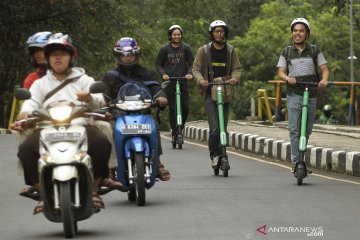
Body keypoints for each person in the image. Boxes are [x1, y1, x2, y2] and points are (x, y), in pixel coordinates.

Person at [11, 33, 112, 214]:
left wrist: (89, 97)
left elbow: (99, 100)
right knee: (26, 150)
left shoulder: (83, 79)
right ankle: (42, 193)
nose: (58, 58)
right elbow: (31, 101)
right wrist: (24, 113)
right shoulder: (40, 83)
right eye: (53, 54)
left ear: (71, 57)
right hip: (47, 128)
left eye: (62, 54)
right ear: (48, 59)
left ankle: (93, 191)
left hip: (79, 125)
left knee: (101, 143)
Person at [101, 37, 171, 181]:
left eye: (131, 55)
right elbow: (103, 95)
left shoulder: (145, 73)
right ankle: (111, 168)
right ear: (118, 56)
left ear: (136, 55)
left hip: (142, 113)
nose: (127, 58)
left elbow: (155, 88)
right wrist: (103, 105)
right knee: (109, 129)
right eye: (124, 55)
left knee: (153, 128)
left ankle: (157, 163)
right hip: (117, 115)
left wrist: (161, 97)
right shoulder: (110, 76)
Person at [277, 18, 329, 172]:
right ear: (292, 33)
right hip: (294, 93)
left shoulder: (314, 50)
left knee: (306, 130)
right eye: (295, 31)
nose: (297, 34)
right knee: (294, 129)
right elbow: (280, 72)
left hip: (311, 92)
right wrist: (288, 79)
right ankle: (297, 163)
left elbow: (325, 69)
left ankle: (301, 157)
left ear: (307, 33)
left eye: (301, 31)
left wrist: (324, 80)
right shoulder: (286, 52)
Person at [192, 20, 241, 168]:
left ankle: (224, 154)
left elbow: (237, 68)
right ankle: (214, 155)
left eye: (221, 31)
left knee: (223, 127)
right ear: (211, 33)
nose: (219, 34)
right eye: (216, 31)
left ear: (225, 33)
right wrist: (201, 80)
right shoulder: (204, 51)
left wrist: (234, 78)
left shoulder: (231, 50)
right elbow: (195, 70)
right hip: (209, 91)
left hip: (225, 90)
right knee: (214, 128)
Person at [155, 25, 194, 143]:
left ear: (181, 35)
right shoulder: (164, 49)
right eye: (174, 34)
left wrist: (189, 73)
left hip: (182, 80)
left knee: (185, 107)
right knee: (173, 108)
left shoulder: (186, 48)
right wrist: (163, 74)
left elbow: (192, 63)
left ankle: (180, 128)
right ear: (170, 35)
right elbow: (158, 64)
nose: (177, 36)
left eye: (178, 34)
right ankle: (174, 131)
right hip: (169, 81)